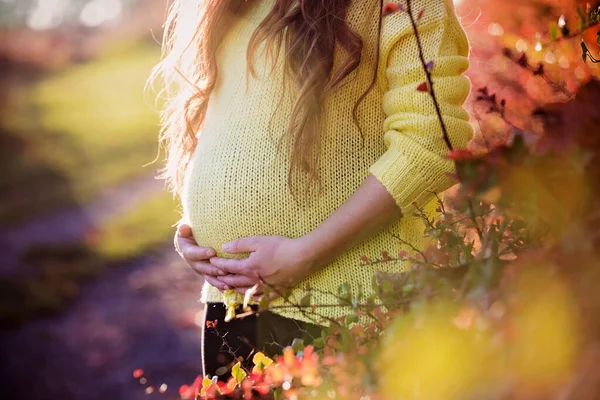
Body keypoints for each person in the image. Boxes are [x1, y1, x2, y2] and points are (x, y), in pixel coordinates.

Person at [153, 0, 473, 379]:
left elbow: (432, 143)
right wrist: (198, 230)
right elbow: (239, 120)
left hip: (344, 305)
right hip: (232, 302)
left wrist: (307, 253)